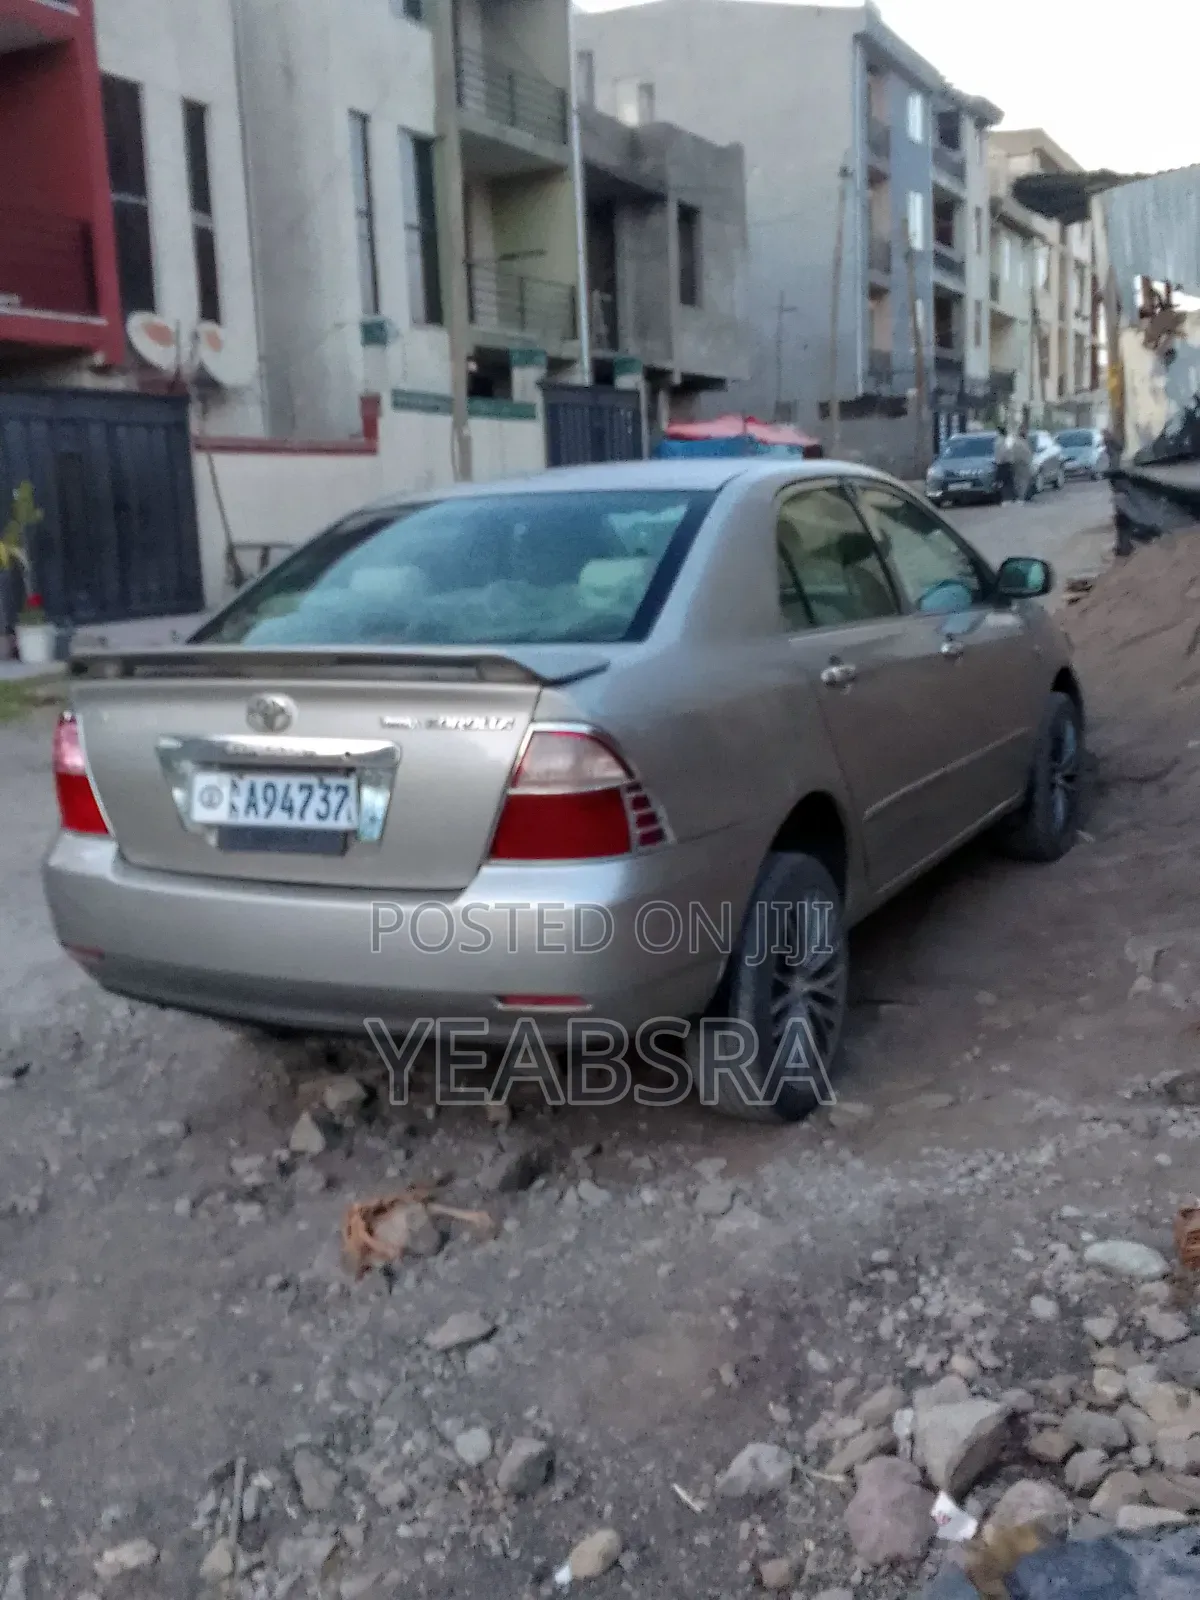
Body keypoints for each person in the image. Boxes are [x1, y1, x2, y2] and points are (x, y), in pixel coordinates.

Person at [995, 427, 1015, 502]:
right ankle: (1007, 497)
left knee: (1001, 481)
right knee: (1007, 481)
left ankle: (1003, 498)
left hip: (1000, 463)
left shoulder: (998, 441)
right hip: (1005, 463)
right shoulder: (1004, 441)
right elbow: (1005, 452)